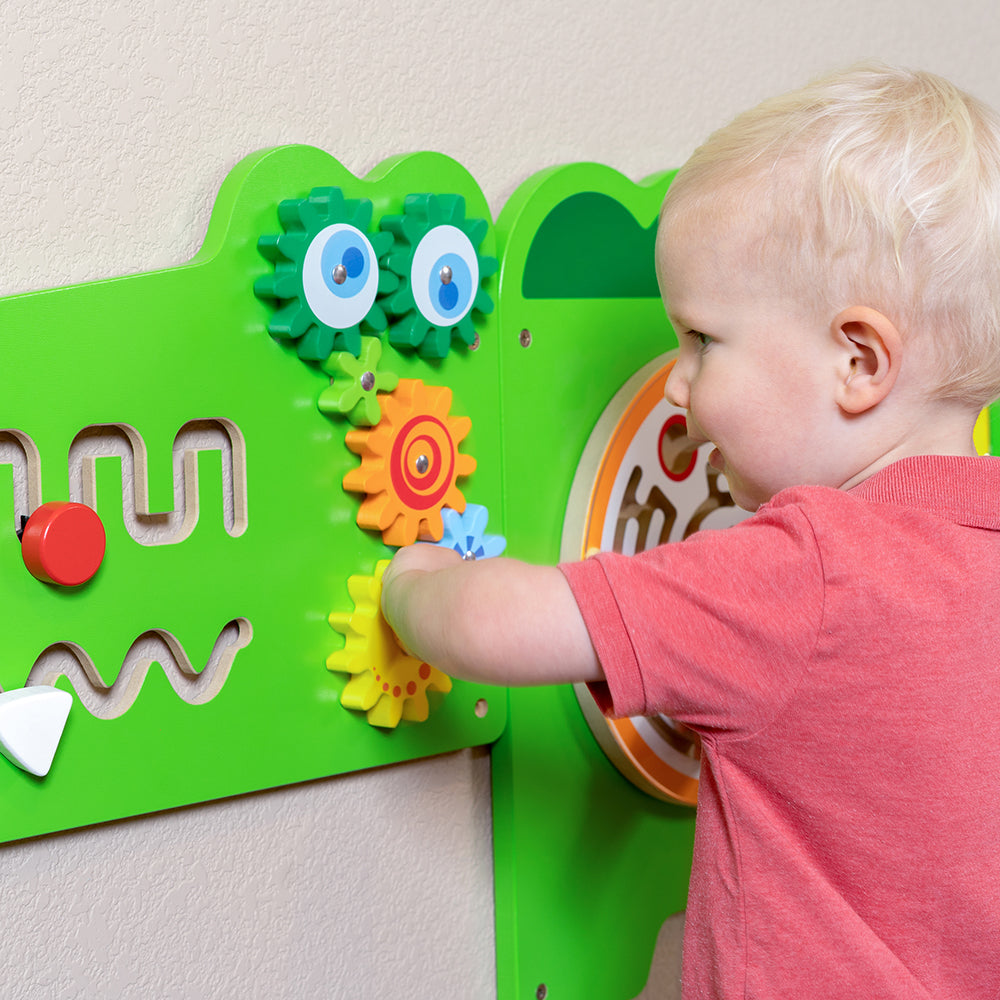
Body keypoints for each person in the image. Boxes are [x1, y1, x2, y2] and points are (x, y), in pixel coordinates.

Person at [381, 63, 1000, 999]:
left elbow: (501, 626)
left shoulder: (808, 573)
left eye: (703, 340)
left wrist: (412, 581)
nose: (674, 384)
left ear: (858, 360)